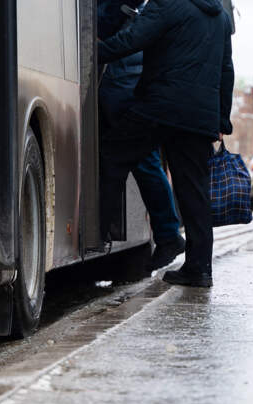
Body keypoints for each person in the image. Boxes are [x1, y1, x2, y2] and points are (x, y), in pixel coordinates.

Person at [98, 0, 234, 288]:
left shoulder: (168, 3)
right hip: (200, 115)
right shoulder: (219, 15)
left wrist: (89, 53)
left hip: (161, 106)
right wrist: (222, 121)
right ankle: (199, 269)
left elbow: (133, 38)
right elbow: (226, 69)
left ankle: (99, 235)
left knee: (112, 155)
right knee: (195, 191)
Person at [97, 0, 185, 271]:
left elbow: (107, 23)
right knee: (140, 162)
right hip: (127, 83)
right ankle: (167, 233)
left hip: (121, 86)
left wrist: (91, 49)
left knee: (129, 161)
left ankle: (104, 231)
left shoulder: (138, 10)